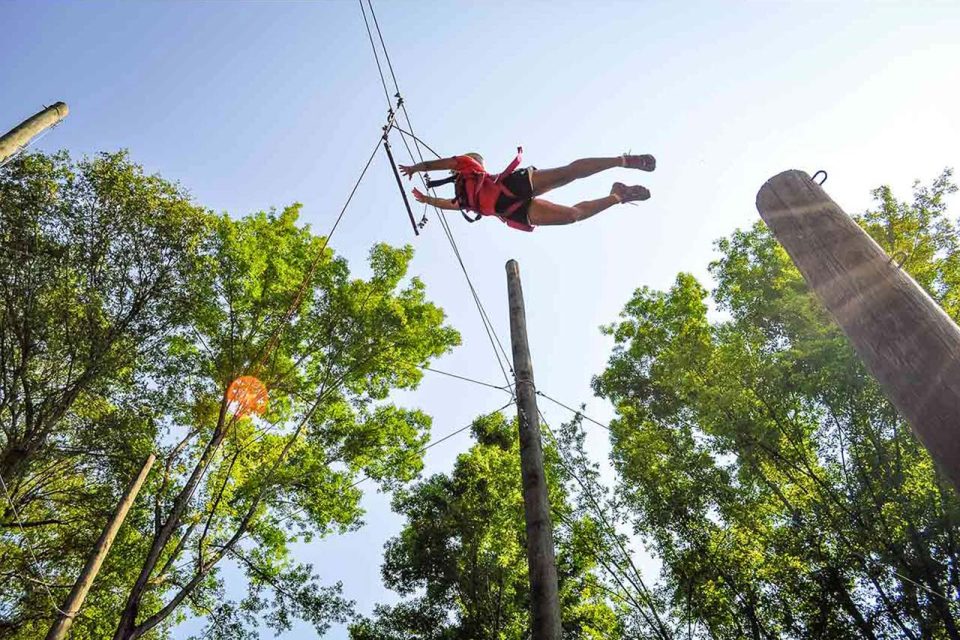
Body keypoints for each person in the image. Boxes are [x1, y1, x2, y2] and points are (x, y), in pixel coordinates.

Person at [398, 149, 655, 232]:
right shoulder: (463, 198)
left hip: (509, 185)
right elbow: (448, 205)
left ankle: (623, 161)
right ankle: (619, 195)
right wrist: (427, 199)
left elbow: (437, 163)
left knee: (567, 174)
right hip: (511, 209)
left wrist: (416, 167)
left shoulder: (468, 166)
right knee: (572, 216)